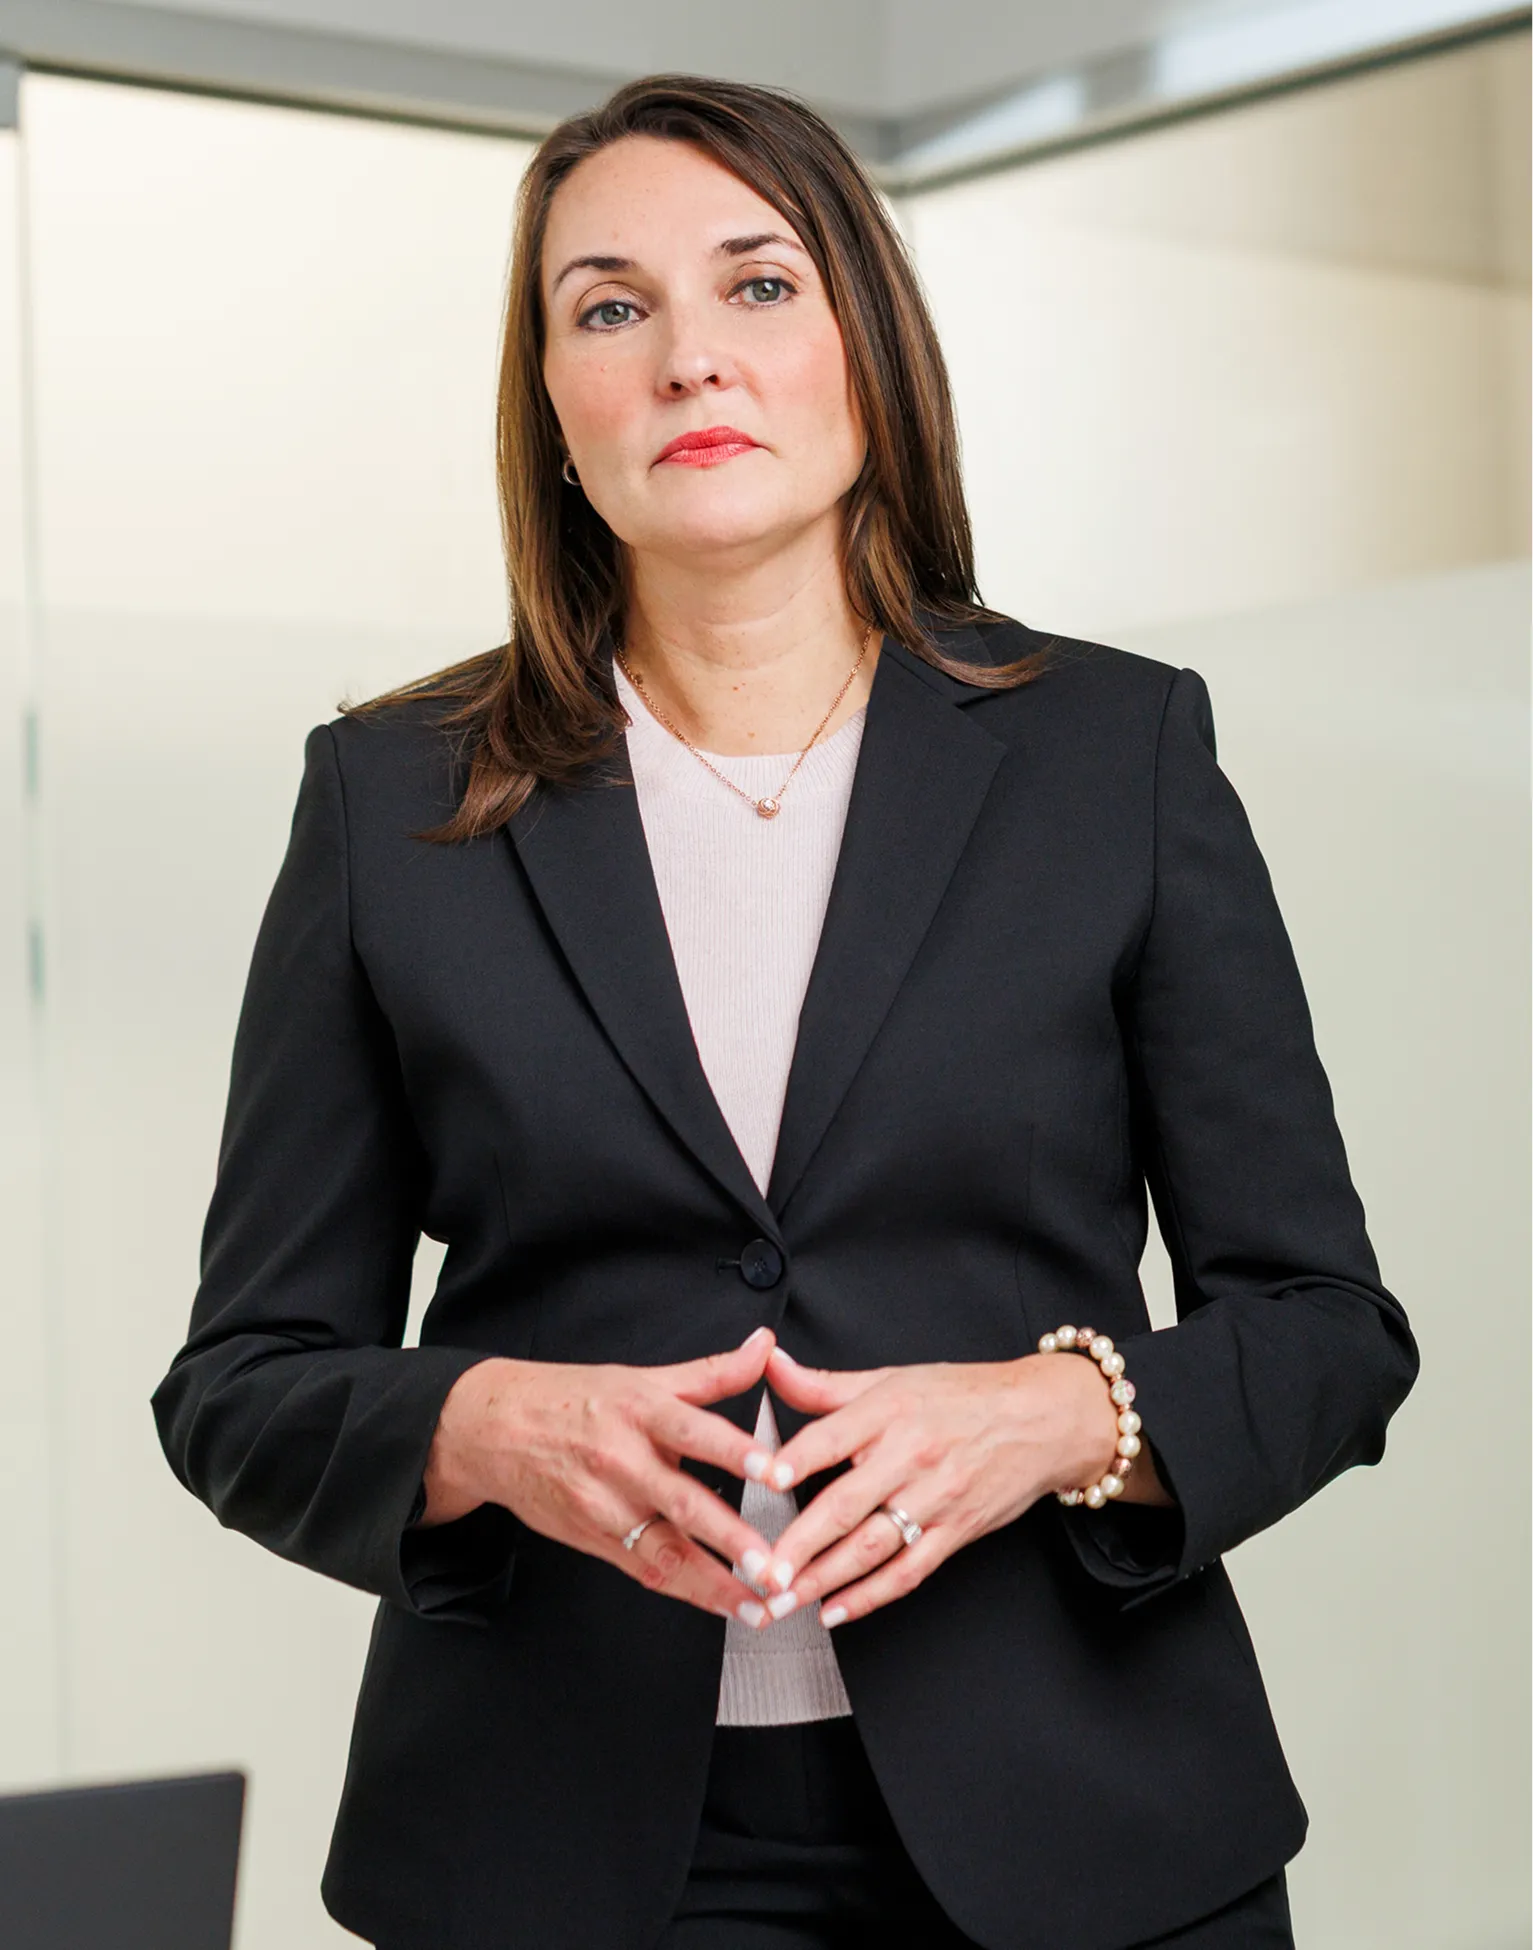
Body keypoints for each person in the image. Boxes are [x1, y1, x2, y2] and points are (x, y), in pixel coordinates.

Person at [151, 73, 1418, 1950]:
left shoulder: (1114, 754)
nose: (687, 359)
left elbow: (1328, 1326)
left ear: (864, 348)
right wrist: (485, 1426)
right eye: (609, 306)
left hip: (1088, 1829)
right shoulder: (388, 802)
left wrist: (1065, 1412)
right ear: (554, 403)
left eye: (757, 284)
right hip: (557, 1845)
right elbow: (242, 1381)